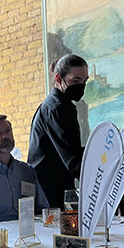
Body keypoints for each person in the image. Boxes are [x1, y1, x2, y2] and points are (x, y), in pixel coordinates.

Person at [28, 54, 89, 209]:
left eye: (84, 81)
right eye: (76, 81)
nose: (81, 86)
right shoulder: (56, 109)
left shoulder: (62, 106)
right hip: (50, 194)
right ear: (58, 78)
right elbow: (73, 160)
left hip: (57, 189)